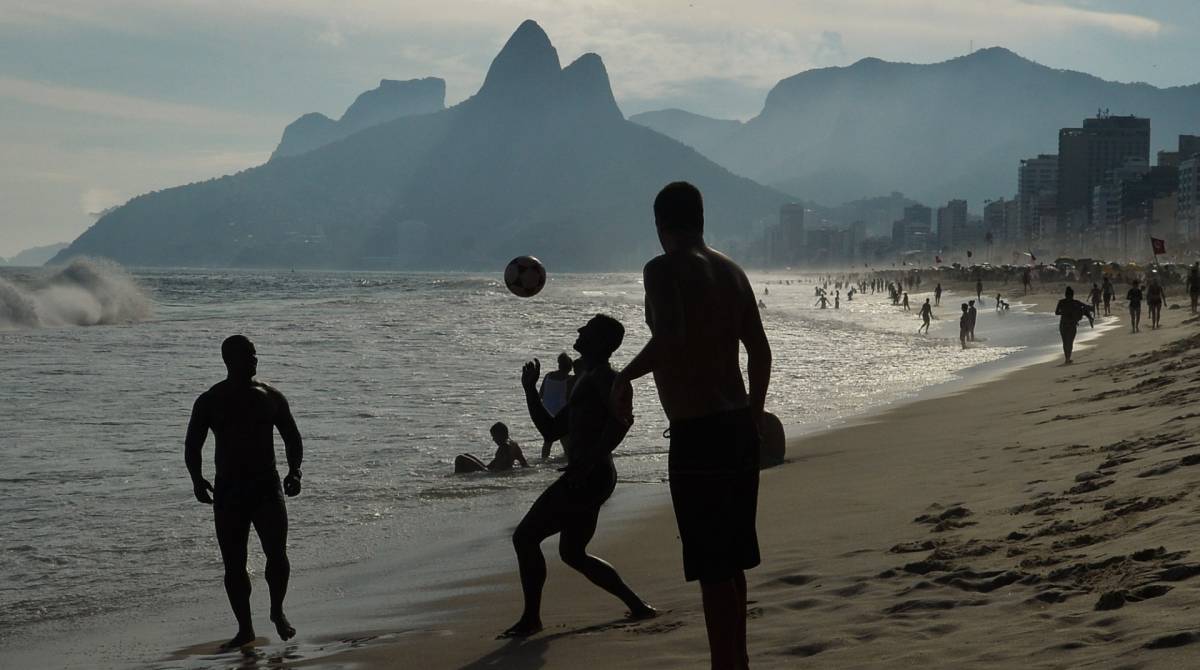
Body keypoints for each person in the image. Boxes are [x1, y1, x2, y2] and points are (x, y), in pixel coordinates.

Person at [611, 182, 771, 670]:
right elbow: (760, 352)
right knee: (732, 561)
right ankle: (736, 660)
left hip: (699, 433)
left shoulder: (662, 269)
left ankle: (727, 664)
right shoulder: (733, 271)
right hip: (738, 425)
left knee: (713, 566)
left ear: (660, 225)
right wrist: (756, 415)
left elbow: (671, 337)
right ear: (700, 219)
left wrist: (623, 376)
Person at [503, 314, 656, 638]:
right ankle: (637, 606)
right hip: (592, 475)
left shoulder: (607, 379)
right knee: (572, 553)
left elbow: (622, 422)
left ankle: (531, 619)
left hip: (591, 475)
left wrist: (590, 460)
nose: (579, 330)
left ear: (599, 341)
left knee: (525, 537)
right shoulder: (587, 379)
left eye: (586, 329)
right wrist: (530, 390)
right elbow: (551, 429)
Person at [185, 335, 303, 650]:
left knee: (277, 555)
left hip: (267, 485)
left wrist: (295, 471)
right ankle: (245, 629)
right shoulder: (210, 400)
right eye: (247, 355)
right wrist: (197, 479)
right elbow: (192, 444)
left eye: (254, 354)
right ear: (229, 360)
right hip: (229, 491)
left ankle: (277, 610)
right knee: (234, 564)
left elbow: (292, 437)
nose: (254, 359)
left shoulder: (270, 396)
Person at [454, 422, 531, 473]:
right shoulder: (514, 445)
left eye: (494, 436)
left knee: (460, 458)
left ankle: (457, 479)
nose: (493, 439)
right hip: (491, 470)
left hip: (491, 473)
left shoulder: (504, 447)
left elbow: (498, 469)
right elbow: (524, 463)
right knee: (466, 455)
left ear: (500, 435)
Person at [538, 353, 573, 458]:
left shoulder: (548, 376)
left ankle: (544, 460)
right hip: (560, 412)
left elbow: (540, 394)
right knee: (565, 439)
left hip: (546, 411)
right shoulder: (570, 379)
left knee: (547, 440)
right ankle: (568, 460)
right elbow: (570, 399)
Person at [1054, 287, 1094, 364]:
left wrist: (1063, 312)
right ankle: (1068, 358)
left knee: (1065, 342)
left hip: (1063, 324)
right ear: (1072, 295)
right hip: (1072, 324)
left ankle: (1067, 358)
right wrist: (1088, 314)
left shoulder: (1061, 302)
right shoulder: (1075, 302)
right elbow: (1086, 307)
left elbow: (1056, 312)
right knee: (1069, 342)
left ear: (1065, 295)